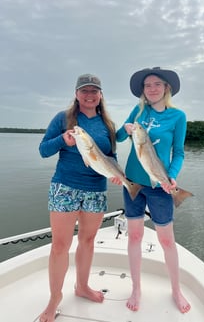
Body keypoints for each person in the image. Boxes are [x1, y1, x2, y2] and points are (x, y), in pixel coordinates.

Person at [39, 73, 121, 322]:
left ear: (100, 95)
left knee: (88, 240)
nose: (89, 95)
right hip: (65, 187)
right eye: (84, 90)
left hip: (96, 189)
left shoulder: (107, 125)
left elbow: (111, 157)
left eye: (94, 91)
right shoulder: (63, 118)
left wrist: (117, 174)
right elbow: (43, 150)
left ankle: (82, 286)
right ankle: (55, 298)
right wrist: (62, 140)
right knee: (60, 246)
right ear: (76, 94)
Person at [116, 67, 191, 313]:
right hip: (133, 184)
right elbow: (117, 137)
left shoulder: (178, 116)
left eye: (157, 84)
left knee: (167, 241)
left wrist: (171, 177)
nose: (152, 89)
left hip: (160, 187)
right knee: (135, 236)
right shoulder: (138, 111)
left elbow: (178, 152)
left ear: (166, 88)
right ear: (143, 90)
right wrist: (126, 128)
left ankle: (176, 290)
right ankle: (136, 288)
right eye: (147, 85)